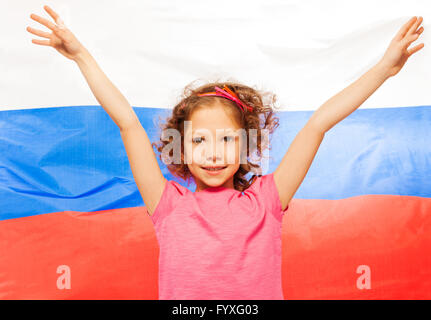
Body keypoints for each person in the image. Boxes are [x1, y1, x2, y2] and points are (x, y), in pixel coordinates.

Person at [27, 5, 424, 299]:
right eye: (199, 140)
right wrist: (80, 55)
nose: (213, 153)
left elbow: (319, 123)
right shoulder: (167, 204)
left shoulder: (266, 201)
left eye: (226, 139)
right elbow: (128, 122)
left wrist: (383, 69)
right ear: (181, 147)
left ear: (247, 144)